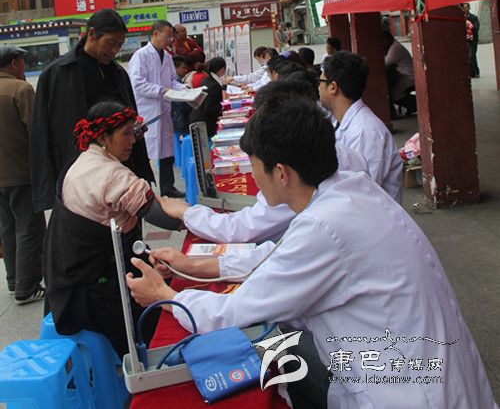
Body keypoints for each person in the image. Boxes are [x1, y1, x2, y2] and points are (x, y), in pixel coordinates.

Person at [128, 96, 497, 409]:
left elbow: (234, 312)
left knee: (280, 357)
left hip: (408, 393)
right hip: (432, 375)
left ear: (281, 172)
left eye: (255, 167)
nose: (253, 178)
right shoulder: (349, 190)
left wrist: (166, 297)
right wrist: (196, 265)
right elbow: (278, 257)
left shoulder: (325, 226)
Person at [160, 79, 367, 251]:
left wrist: (187, 213)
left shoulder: (307, 200)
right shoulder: (344, 169)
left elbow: (246, 231)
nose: (253, 175)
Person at [43, 102, 179, 358]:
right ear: (103, 137)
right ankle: (155, 359)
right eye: (125, 133)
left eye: (133, 132)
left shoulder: (83, 160)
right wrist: (201, 220)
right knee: (166, 303)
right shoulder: (111, 175)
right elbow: (159, 215)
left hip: (69, 280)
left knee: (165, 269)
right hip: (90, 289)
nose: (132, 141)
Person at [29, 8, 154, 212]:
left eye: (120, 45)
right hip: (78, 174)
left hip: (120, 171)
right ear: (92, 34)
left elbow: (129, 116)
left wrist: (134, 129)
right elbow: (41, 133)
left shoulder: (118, 73)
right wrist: (45, 190)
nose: (114, 51)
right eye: (110, 43)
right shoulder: (57, 74)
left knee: (126, 224)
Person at [321, 51, 403, 203]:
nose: (318, 87)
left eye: (320, 81)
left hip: (369, 211)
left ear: (333, 87)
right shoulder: (341, 122)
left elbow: (360, 192)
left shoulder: (365, 132)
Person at [0, 45, 45, 305]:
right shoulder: (21, 89)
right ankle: (27, 286)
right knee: (29, 226)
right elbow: (36, 131)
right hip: (21, 172)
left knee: (7, 227)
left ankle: (14, 279)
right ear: (15, 63)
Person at [128, 21, 185, 198]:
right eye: (167, 37)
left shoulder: (167, 56)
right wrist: (161, 90)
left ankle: (168, 188)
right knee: (144, 154)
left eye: (171, 38)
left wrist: (184, 89)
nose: (169, 41)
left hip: (164, 110)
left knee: (166, 152)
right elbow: (137, 83)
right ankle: (143, 192)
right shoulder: (141, 55)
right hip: (148, 112)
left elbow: (173, 80)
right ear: (155, 34)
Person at [189, 57, 226, 138]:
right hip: (204, 124)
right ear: (222, 69)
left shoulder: (207, 80)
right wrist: (225, 105)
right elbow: (209, 108)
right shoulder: (214, 85)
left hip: (198, 120)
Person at [382, 31, 416, 115]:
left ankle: (415, 104)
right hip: (402, 76)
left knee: (394, 95)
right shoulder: (392, 46)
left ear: (387, 39)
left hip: (408, 77)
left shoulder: (395, 48)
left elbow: (386, 63)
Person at [171, 55, 192, 137]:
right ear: (175, 68)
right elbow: (183, 104)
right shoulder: (176, 84)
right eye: (183, 68)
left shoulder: (180, 82)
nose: (186, 70)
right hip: (179, 120)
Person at [463, 3, 480, 78]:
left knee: (471, 55)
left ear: (469, 8)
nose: (465, 9)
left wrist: (470, 26)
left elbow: (476, 28)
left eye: (466, 7)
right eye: (464, 7)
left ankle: (476, 71)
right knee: (468, 56)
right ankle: (472, 73)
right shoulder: (461, 18)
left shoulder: (474, 18)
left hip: (473, 40)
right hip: (465, 40)